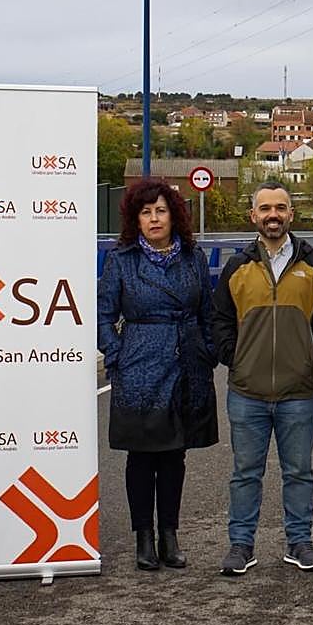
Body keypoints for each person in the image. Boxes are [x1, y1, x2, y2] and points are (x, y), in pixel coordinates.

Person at [211, 181, 313, 576]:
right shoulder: (237, 266)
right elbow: (219, 320)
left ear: (291, 214)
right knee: (245, 473)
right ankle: (241, 545)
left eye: (280, 207)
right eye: (265, 208)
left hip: (299, 390)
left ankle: (300, 542)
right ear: (253, 216)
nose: (273, 215)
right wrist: (236, 358)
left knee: (299, 471)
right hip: (247, 389)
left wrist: (312, 354)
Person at [97, 178, 218, 571]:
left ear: (174, 214)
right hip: (139, 365)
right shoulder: (122, 259)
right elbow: (103, 316)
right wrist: (118, 358)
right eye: (146, 212)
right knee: (141, 455)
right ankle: (143, 537)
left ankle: (170, 534)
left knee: (174, 455)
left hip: (185, 364)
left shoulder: (193, 258)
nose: (154, 218)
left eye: (161, 210)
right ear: (136, 218)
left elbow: (208, 313)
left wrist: (208, 352)